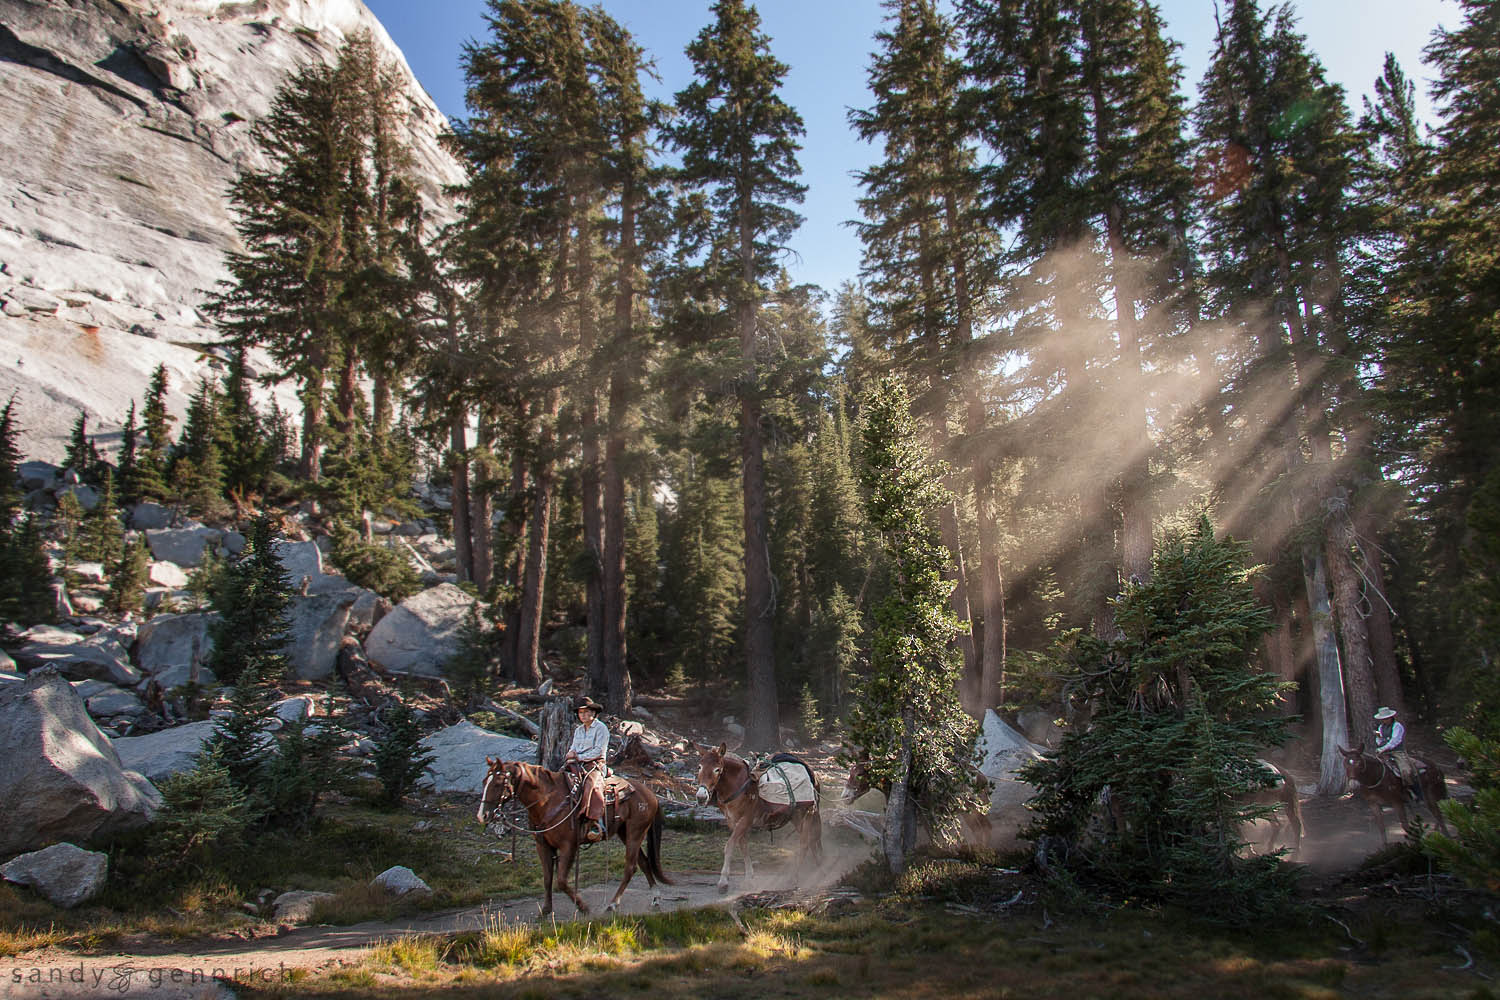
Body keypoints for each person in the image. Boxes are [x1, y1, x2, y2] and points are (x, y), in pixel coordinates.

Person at [565, 696, 610, 842]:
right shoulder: (578, 730)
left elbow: (598, 750)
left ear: (594, 713)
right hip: (577, 764)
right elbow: (573, 748)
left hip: (595, 764)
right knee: (560, 780)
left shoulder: (601, 728)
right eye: (580, 712)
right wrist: (570, 754)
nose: (583, 715)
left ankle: (595, 822)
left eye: (586, 712)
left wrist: (578, 757)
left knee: (591, 785)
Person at [1373, 706, 1420, 800]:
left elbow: (1395, 741)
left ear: (1391, 717)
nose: (1384, 720)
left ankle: (1413, 790)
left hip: (1397, 752)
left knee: (1405, 771)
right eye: (1383, 719)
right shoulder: (1381, 727)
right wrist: (1379, 743)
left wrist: (1383, 748)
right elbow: (1379, 738)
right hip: (1384, 752)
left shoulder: (1397, 726)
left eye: (1386, 718)